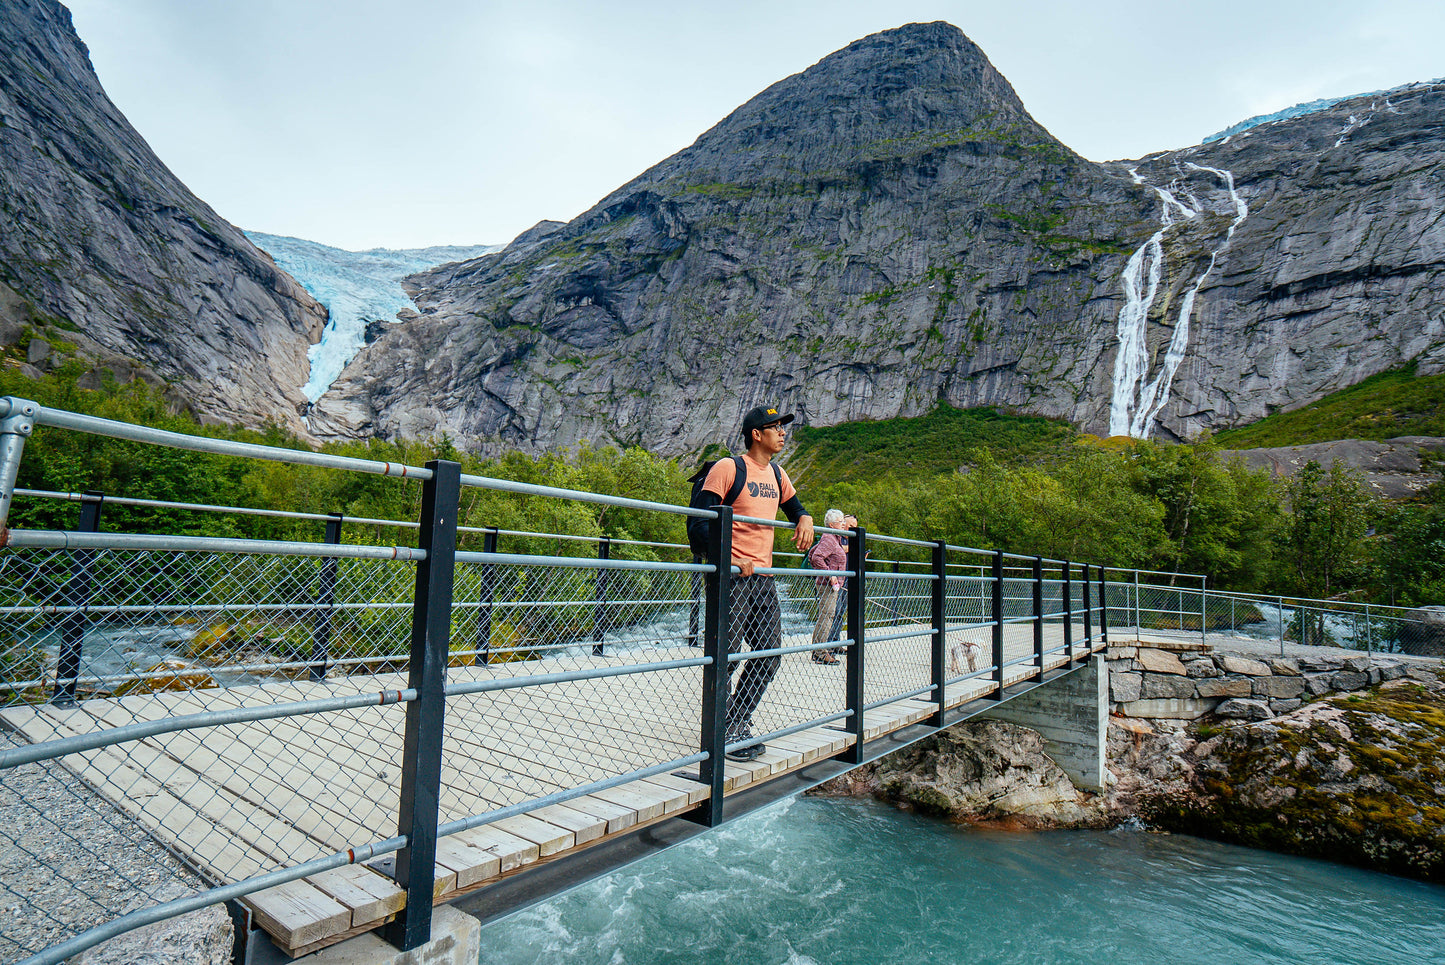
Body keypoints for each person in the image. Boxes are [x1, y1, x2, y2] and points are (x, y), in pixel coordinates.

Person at [696, 404, 814, 762]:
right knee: (726, 655)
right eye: (775, 427)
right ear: (756, 434)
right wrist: (731, 560)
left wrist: (805, 517)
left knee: (769, 654)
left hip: (764, 579)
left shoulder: (778, 474)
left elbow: (795, 508)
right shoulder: (729, 468)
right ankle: (720, 728)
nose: (782, 432)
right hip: (731, 577)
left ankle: (734, 720)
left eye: (782, 426)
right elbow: (698, 525)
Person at [807, 509, 848, 665]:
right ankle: (820, 652)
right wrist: (830, 574)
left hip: (832, 585)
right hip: (827, 585)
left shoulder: (834, 538)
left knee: (827, 615)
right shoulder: (830, 538)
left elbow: (813, 553)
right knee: (827, 616)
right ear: (831, 524)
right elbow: (816, 556)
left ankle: (818, 650)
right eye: (840, 521)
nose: (843, 524)